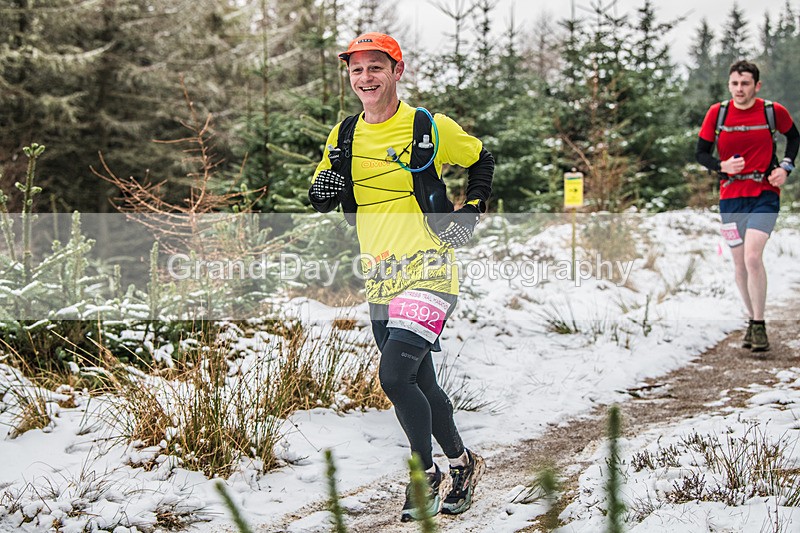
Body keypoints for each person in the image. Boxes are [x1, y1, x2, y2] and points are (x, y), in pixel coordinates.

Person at [308, 32, 492, 522]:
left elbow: (482, 159)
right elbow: (322, 193)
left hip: (430, 267)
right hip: (380, 274)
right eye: (357, 69)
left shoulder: (426, 126)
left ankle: (424, 475)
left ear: (397, 71)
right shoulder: (344, 135)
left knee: (393, 375)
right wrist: (324, 190)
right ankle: (463, 463)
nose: (365, 78)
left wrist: (471, 210)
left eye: (376, 68)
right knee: (420, 383)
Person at [696, 60, 798, 352]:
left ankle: (760, 323)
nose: (739, 89)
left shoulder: (772, 111)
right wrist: (722, 166)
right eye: (734, 84)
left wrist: (786, 168)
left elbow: (794, 138)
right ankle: (752, 320)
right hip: (730, 197)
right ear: (729, 85)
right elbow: (701, 153)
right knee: (740, 263)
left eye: (745, 84)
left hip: (764, 193)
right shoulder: (718, 113)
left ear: (757, 85)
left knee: (753, 257)